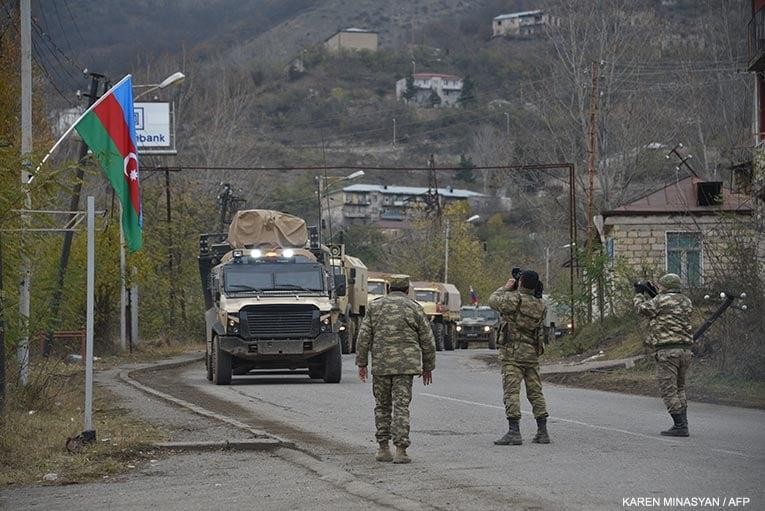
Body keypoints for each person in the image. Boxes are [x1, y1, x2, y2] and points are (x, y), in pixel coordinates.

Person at [355, 274, 436, 464]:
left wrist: (362, 363)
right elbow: (428, 340)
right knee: (401, 406)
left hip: (382, 365)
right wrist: (428, 366)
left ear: (388, 288)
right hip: (406, 367)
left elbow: (363, 337)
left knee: (382, 406)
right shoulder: (414, 308)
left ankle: (383, 448)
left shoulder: (375, 307)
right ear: (407, 290)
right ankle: (401, 450)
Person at [488, 270, 549, 446]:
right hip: (531, 353)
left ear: (520, 282)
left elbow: (493, 301)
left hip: (512, 354)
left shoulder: (515, 299)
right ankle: (542, 431)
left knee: (511, 392)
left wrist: (506, 288)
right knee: (535, 392)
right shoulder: (540, 304)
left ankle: (514, 432)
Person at [634, 273, 693, 437]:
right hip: (685, 351)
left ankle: (679, 425)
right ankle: (684, 423)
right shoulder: (686, 301)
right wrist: (656, 293)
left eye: (661, 286)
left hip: (668, 351)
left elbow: (642, 309)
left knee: (669, 390)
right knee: (680, 388)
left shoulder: (659, 300)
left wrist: (639, 293)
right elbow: (667, 308)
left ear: (665, 286)